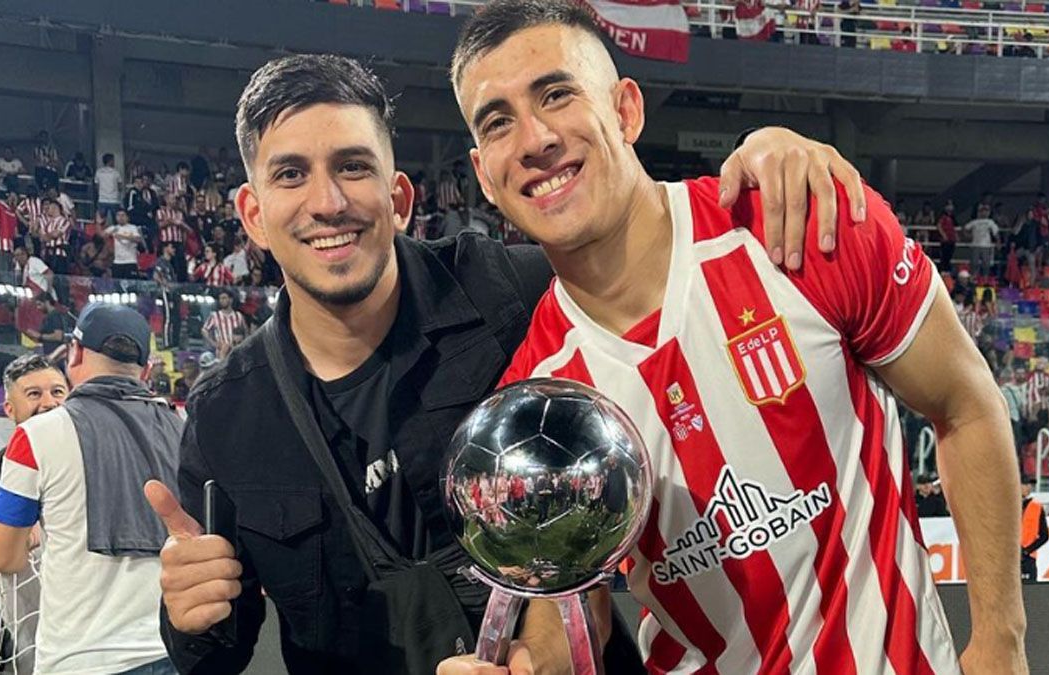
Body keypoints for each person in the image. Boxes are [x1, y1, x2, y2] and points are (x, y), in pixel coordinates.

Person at [144, 52, 864, 675]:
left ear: (399, 198)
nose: (327, 202)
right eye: (292, 174)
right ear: (252, 213)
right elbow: (217, 657)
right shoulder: (225, 418)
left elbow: (653, 249)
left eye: (353, 167)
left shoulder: (511, 293)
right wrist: (191, 614)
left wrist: (770, 156)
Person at [442, 3, 1027, 674]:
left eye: (556, 94)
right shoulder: (540, 395)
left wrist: (1000, 638)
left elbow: (965, 403)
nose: (535, 136)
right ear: (485, 174)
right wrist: (535, 663)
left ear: (626, 110)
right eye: (498, 121)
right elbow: (571, 597)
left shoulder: (801, 226)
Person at [0, 304, 183, 675]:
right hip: (175, 650)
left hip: (81, 658)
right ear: (147, 369)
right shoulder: (182, 430)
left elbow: (0, 557)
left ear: (73, 354)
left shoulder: (35, 435)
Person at [0, 354, 69, 674]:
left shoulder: (94, 467)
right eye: (34, 394)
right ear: (9, 409)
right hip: (9, 654)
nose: (49, 403)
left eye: (58, 392)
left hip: (84, 647)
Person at [201, 290, 248, 358]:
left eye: (224, 298)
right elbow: (204, 330)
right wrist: (213, 343)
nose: (221, 300)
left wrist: (243, 344)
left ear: (231, 300)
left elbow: (245, 331)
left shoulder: (238, 316)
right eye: (220, 298)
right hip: (221, 352)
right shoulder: (215, 316)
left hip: (236, 351)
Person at [1018, 476, 1048, 583]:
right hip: (1009, 558)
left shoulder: (1036, 507)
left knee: (1030, 591)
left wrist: (1027, 551)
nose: (1028, 487)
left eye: (1030, 485)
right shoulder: (1005, 505)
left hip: (1028, 558)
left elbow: (1044, 536)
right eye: (1025, 484)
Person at [105, 207, 145, 279]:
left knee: (131, 287)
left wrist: (123, 237)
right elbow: (101, 235)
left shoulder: (132, 228)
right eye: (118, 215)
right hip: (117, 262)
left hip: (130, 261)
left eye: (123, 215)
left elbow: (138, 239)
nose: (120, 217)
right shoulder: (114, 228)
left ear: (127, 217)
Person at [964, 204, 998, 279]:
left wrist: (998, 242)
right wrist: (968, 236)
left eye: (986, 211)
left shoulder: (990, 222)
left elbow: (995, 232)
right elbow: (965, 228)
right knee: (974, 263)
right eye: (982, 211)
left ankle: (985, 279)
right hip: (975, 245)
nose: (984, 213)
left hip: (986, 246)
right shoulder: (974, 222)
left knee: (986, 264)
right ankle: (973, 278)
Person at [95, 153, 124, 222]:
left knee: (101, 221)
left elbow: (97, 186)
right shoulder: (116, 172)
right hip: (114, 200)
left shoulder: (99, 172)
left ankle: (101, 232)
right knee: (117, 221)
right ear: (110, 161)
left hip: (102, 199)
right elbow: (120, 187)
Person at [935, 200, 957, 272]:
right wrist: (944, 235)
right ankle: (943, 271)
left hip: (952, 239)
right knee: (944, 256)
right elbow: (939, 225)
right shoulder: (943, 216)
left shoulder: (953, 217)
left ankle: (947, 271)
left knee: (949, 256)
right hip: (946, 240)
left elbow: (955, 227)